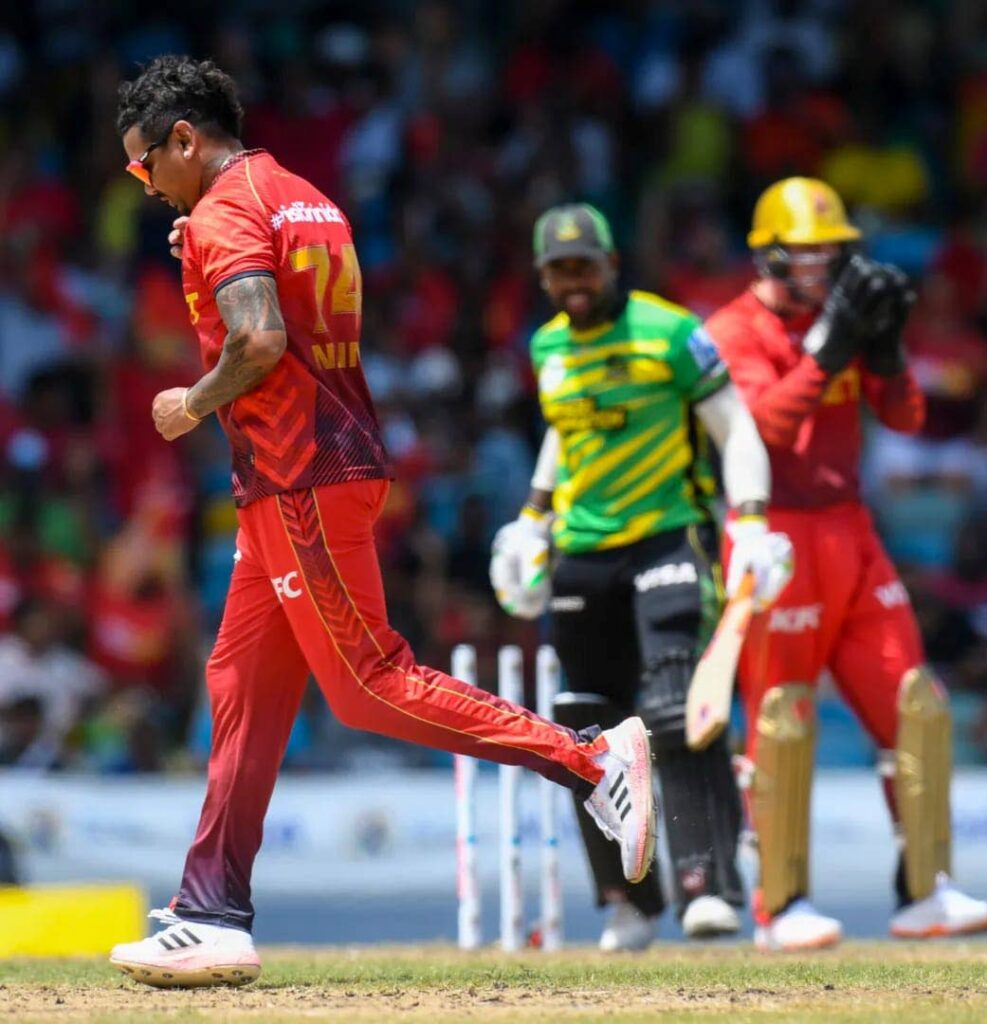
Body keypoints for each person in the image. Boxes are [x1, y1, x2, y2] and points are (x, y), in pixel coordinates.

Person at [109, 56, 658, 988]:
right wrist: (206, 257)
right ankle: (211, 913)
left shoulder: (222, 211)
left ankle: (591, 761)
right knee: (240, 682)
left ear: (184, 141)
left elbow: (261, 339)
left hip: (299, 474)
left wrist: (190, 404)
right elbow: (277, 298)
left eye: (143, 165)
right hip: (316, 466)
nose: (145, 186)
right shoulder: (301, 194)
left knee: (369, 684)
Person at [706, 177, 987, 952]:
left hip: (851, 531)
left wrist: (886, 350)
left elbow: (905, 414)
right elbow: (761, 431)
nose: (821, 262)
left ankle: (924, 892)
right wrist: (827, 350)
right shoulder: (730, 331)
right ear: (768, 251)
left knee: (916, 705)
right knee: (781, 720)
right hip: (772, 536)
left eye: (831, 249)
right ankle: (781, 906)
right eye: (806, 249)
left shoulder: (843, 313)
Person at [489, 203, 793, 950]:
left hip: (668, 539)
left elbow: (738, 429)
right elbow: (569, 426)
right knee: (582, 725)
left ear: (611, 262)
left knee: (672, 704)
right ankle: (630, 904)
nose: (574, 282)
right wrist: (531, 519)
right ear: (542, 276)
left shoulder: (671, 333)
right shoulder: (549, 346)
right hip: (583, 552)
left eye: (584, 266)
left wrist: (749, 519)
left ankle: (706, 888)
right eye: (559, 271)